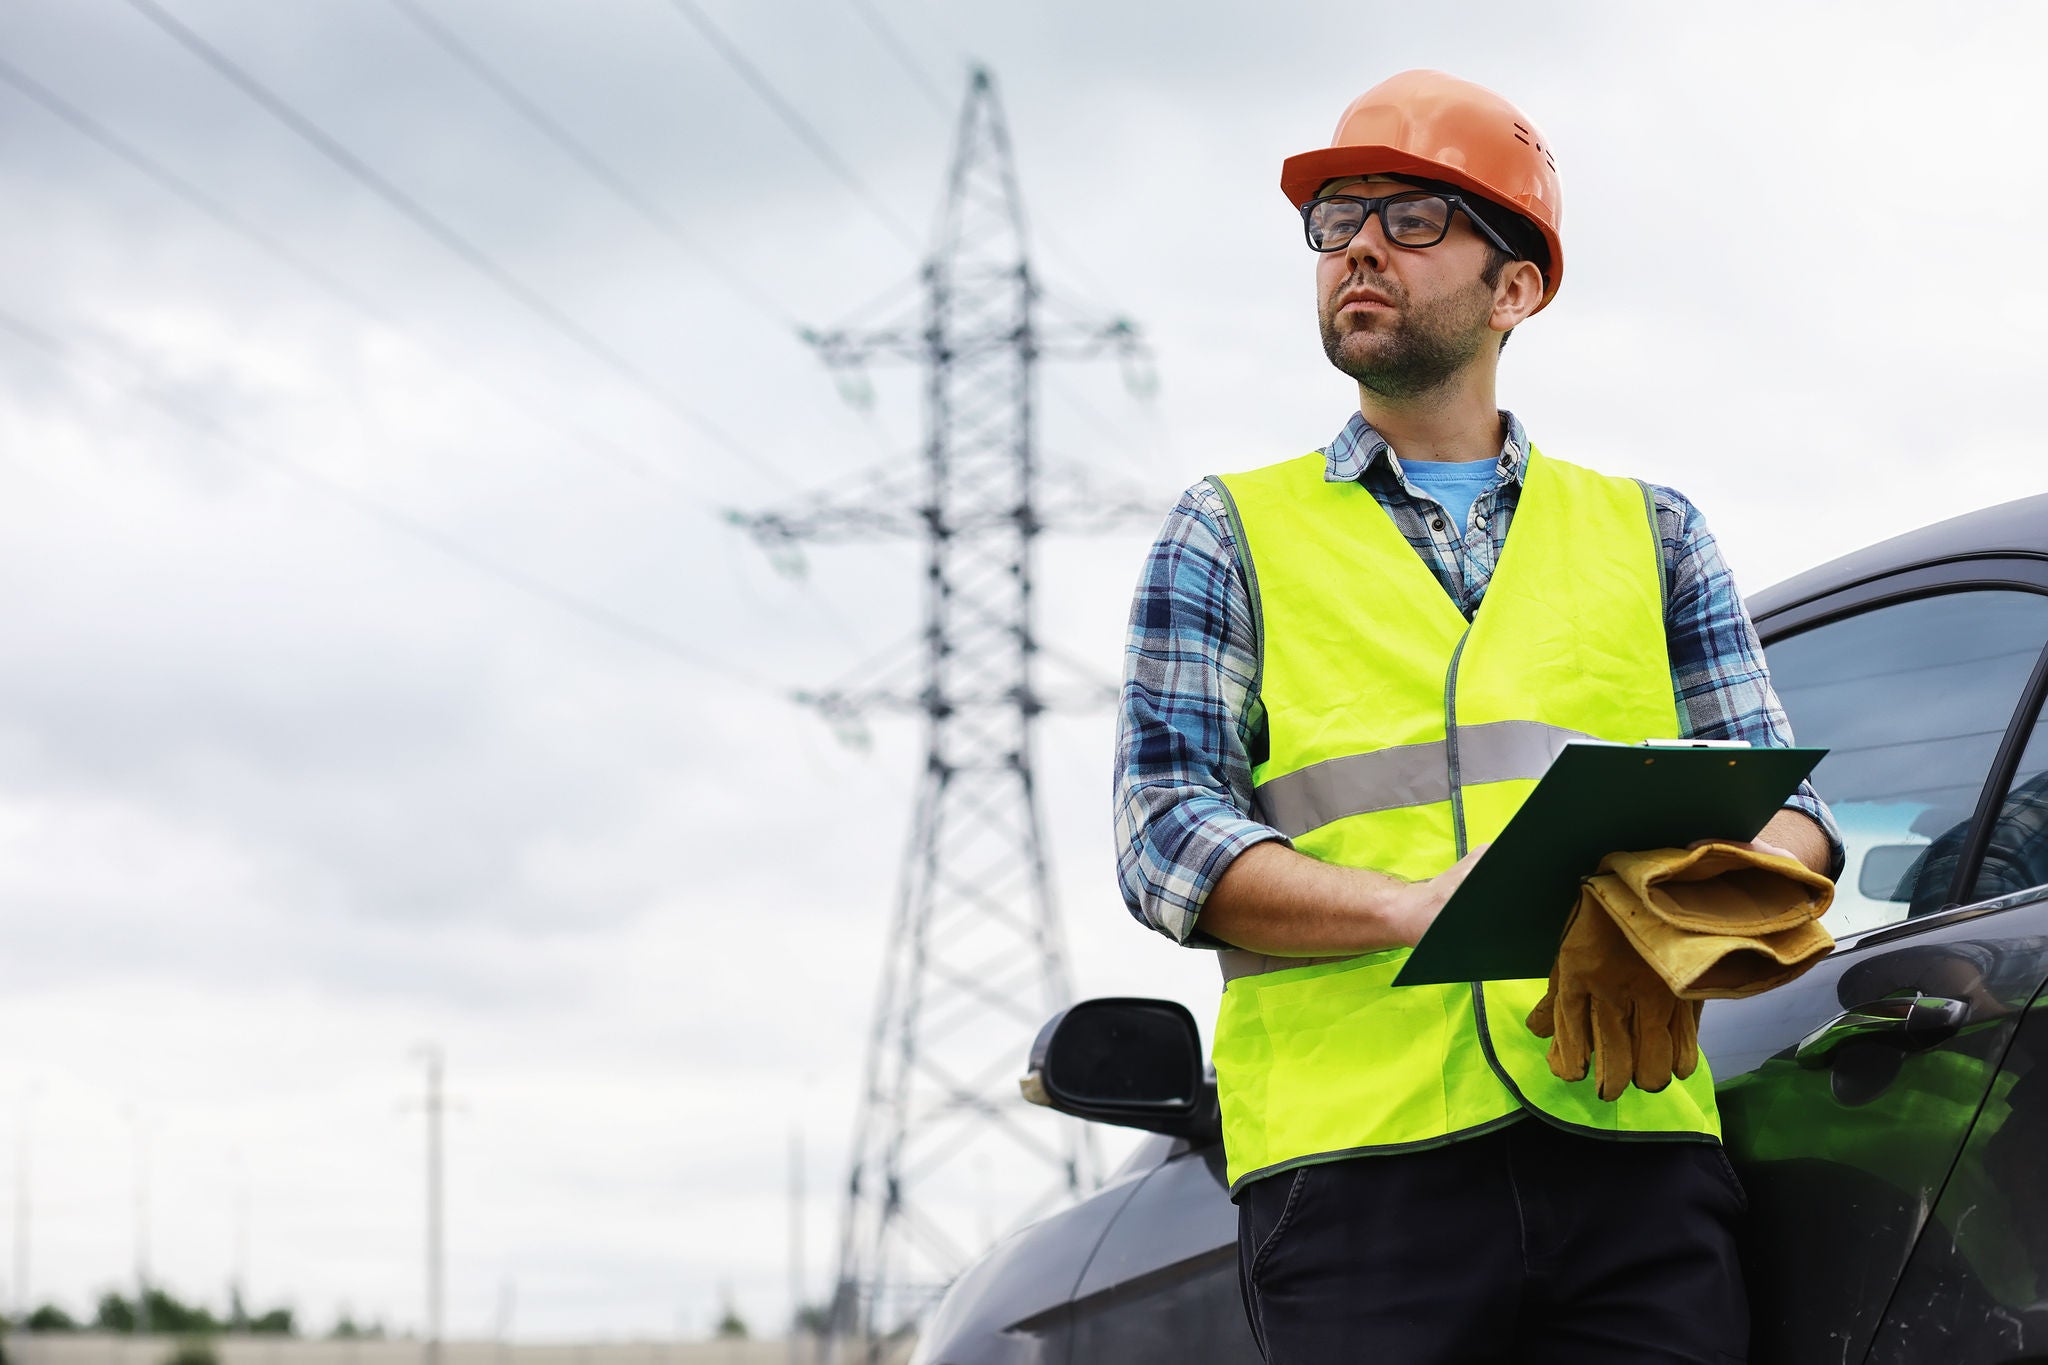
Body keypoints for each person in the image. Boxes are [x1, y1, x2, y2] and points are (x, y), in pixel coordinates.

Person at [1112, 70, 1845, 1364]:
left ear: (1515, 289)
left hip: (1631, 1151)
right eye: (1336, 222)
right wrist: (1414, 907)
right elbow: (1165, 839)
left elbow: (1798, 822)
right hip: (1356, 1177)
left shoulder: (1652, 532)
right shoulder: (1227, 532)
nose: (1358, 251)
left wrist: (1674, 913)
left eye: (1410, 220)